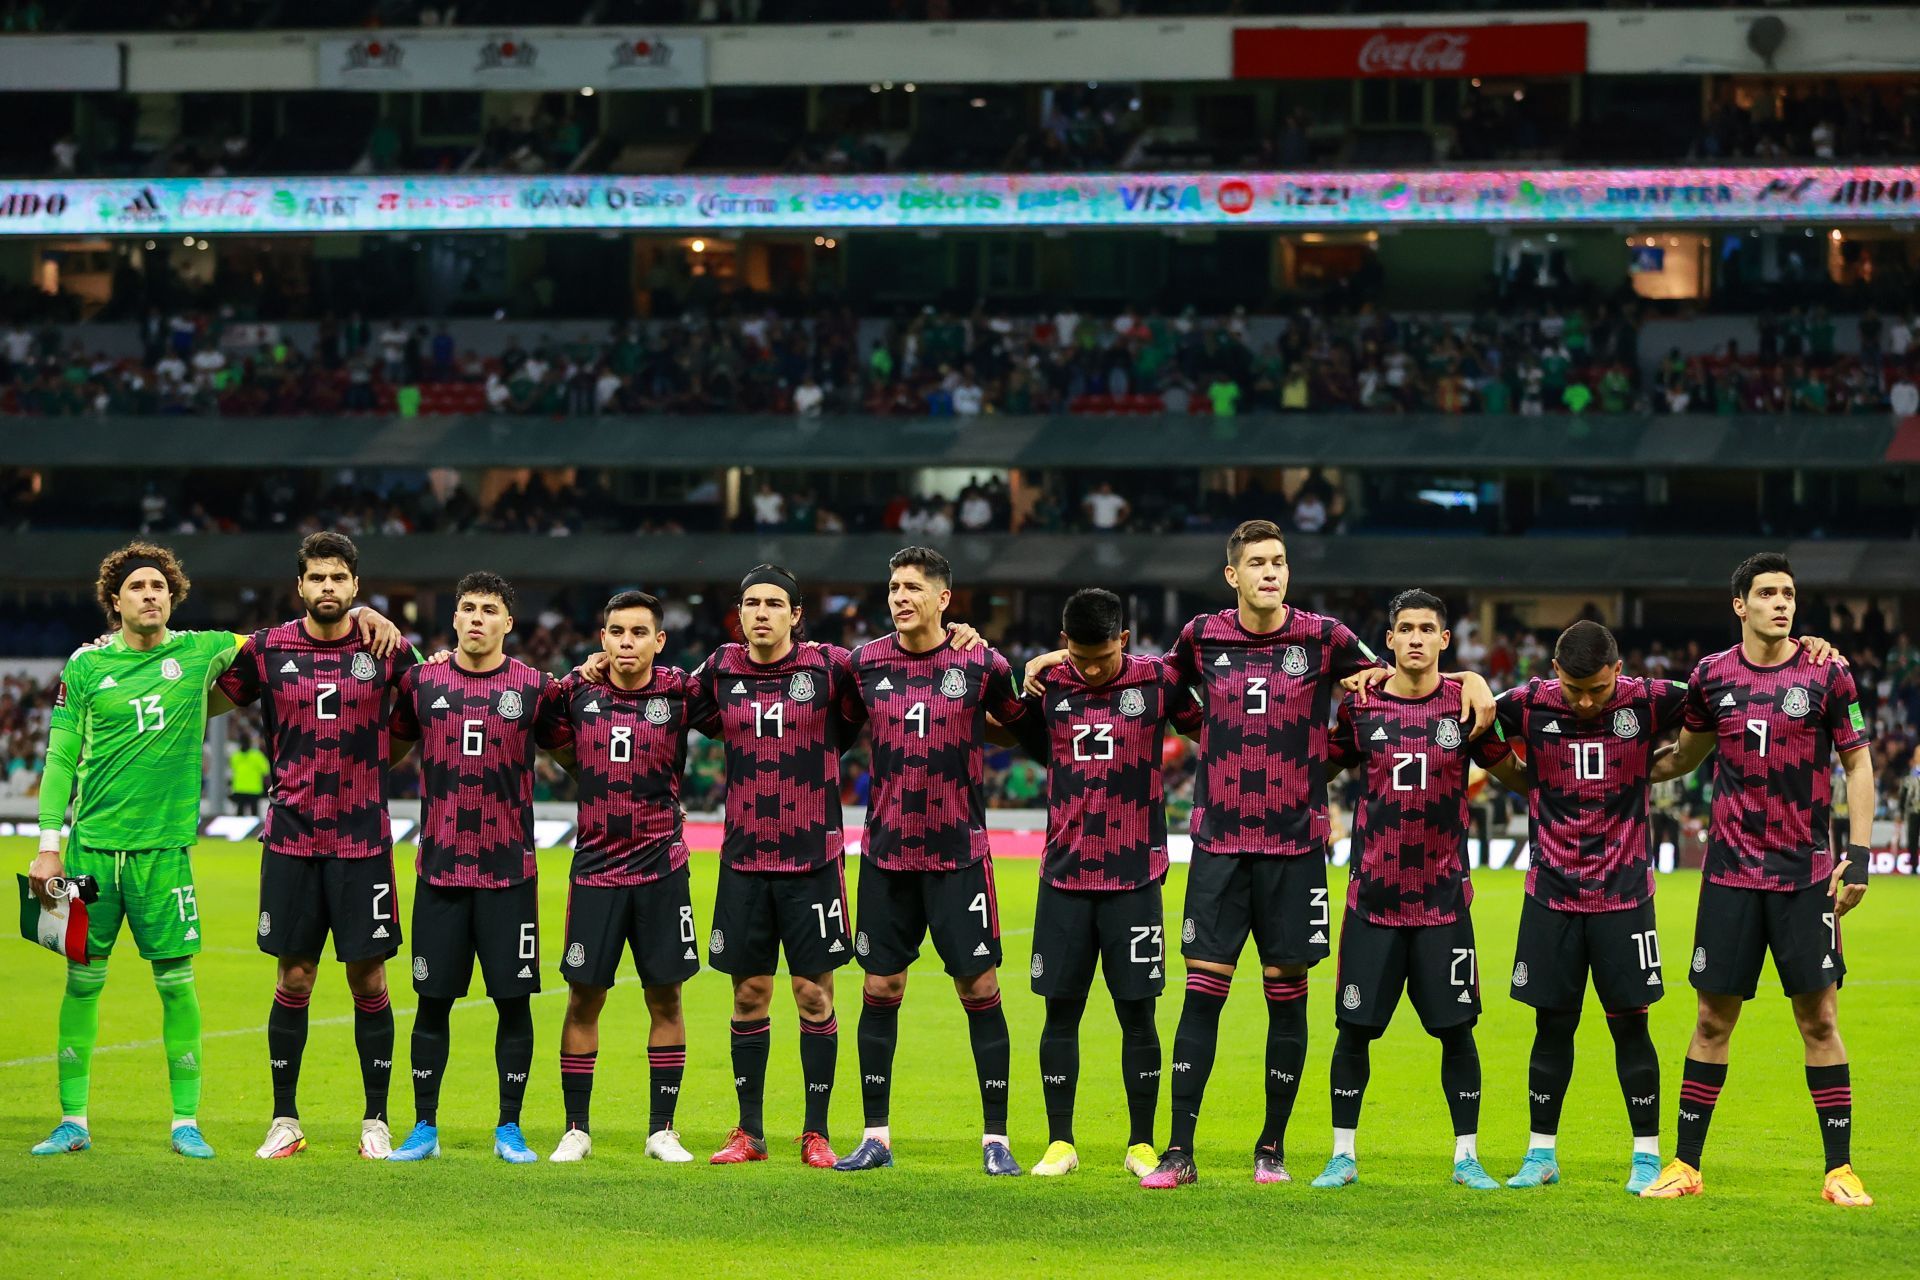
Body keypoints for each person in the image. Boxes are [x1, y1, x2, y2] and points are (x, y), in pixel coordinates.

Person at [1090, 520, 1495, 1190]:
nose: (1270, 572)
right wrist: (1063, 663)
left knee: (1287, 996)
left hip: (1296, 848)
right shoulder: (1201, 636)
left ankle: (1271, 1149)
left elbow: (1395, 672)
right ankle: (1179, 1151)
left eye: (1278, 561)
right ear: (1233, 575)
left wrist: (1468, 677)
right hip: (1219, 844)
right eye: (1256, 563)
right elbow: (1150, 683)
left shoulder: (1324, 637)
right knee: (1202, 995)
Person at [28, 541, 392, 1159]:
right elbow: (61, 755)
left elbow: (299, 634)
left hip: (164, 853)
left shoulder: (202, 652)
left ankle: (185, 1123)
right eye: (137, 587)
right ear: (114, 600)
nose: (150, 595)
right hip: (87, 853)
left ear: (173, 597)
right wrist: (47, 845)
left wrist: (370, 618)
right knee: (82, 982)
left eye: (159, 587)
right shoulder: (85, 666)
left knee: (176, 985)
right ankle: (72, 1121)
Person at [1640, 553, 1876, 1207]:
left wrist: (1856, 853)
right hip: (1731, 876)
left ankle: (1840, 1170)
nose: (1782, 602)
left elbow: (1858, 766)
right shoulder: (1710, 676)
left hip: (1806, 877)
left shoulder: (1828, 672)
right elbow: (1683, 756)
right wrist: (1615, 771)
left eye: (1789, 593)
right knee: (1712, 1020)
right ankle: (1685, 1165)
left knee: (1820, 1019)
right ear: (1739, 605)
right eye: (1767, 592)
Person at [1311, 590, 1530, 1191]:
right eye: (1404, 628)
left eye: (1425, 628)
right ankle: (1342, 1155)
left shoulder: (1466, 708)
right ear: (1389, 640)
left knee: (1457, 1031)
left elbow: (1514, 772)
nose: (1414, 637)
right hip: (1373, 903)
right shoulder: (1361, 708)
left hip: (1441, 905)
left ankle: (1466, 1158)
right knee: (1353, 1030)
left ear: (1444, 641)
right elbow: (1320, 764)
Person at [214, 532, 415, 1161]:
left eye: (338, 578)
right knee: (294, 976)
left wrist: (376, 770)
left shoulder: (387, 649)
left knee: (369, 975)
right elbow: (205, 703)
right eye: (316, 578)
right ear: (299, 586)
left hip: (362, 839)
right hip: (292, 837)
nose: (327, 587)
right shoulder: (268, 649)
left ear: (356, 586)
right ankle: (284, 1119)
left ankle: (376, 1120)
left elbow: (428, 709)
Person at [835, 547, 1026, 1177]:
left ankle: (996, 1139)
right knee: (880, 986)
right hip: (887, 856)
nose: (899, 597)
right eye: (893, 587)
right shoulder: (863, 664)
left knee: (980, 987)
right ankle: (875, 1136)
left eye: (913, 587)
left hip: (957, 856)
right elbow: (825, 724)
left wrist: (1045, 664)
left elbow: (1024, 723)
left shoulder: (980, 661)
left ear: (944, 598)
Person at [1005, 589, 1202, 1179]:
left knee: (1138, 1014)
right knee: (1059, 1012)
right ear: (1065, 644)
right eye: (1079, 656)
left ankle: (1141, 1143)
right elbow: (1009, 728)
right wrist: (1035, 668)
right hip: (1063, 877)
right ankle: (1060, 1142)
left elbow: (1216, 724)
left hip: (1134, 879)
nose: (1090, 669)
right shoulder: (1049, 688)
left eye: (1102, 656)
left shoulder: (1158, 683)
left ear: (1124, 638)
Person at [1493, 621, 1683, 1195]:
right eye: (1573, 688)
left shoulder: (1650, 700)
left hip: (1625, 896)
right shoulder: (1528, 703)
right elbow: (1467, 715)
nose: (1583, 701)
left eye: (1597, 690)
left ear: (1618, 672)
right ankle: (1540, 1154)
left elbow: (1722, 696)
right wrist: (1517, 776)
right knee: (1551, 1024)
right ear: (1555, 671)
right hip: (1551, 894)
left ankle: (1647, 1156)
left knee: (1631, 1025)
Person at [385, 573, 568, 1165]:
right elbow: (386, 750)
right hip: (439, 872)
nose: (477, 619)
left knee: (513, 1005)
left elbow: (573, 753)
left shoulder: (535, 688)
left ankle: (509, 1127)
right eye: (468, 608)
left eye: (490, 610)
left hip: (508, 875)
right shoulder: (421, 681)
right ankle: (423, 1127)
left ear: (508, 624)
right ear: (455, 618)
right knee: (432, 1002)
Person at [690, 565, 866, 1169]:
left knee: (813, 994)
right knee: (749, 993)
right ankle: (750, 1132)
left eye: (773, 603)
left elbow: (900, 674)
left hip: (813, 859)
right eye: (749, 603)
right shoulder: (718, 670)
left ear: (796, 613)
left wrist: (965, 635)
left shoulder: (832, 667)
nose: (760, 612)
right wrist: (600, 667)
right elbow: (655, 694)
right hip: (743, 860)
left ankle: (816, 1132)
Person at [542, 591, 702, 1164]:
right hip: (595, 871)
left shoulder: (682, 692)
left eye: (639, 632)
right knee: (584, 999)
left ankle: (662, 1129)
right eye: (616, 631)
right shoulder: (574, 693)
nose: (626, 641)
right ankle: (576, 1129)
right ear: (601, 638)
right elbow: (526, 714)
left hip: (662, 871)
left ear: (659, 641)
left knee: (667, 998)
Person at [226, 736, 269, 816]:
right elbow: (266, 770)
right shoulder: (257, 756)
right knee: (254, 813)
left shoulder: (235, 756)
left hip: (239, 788)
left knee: (240, 812)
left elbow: (233, 768)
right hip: (254, 789)